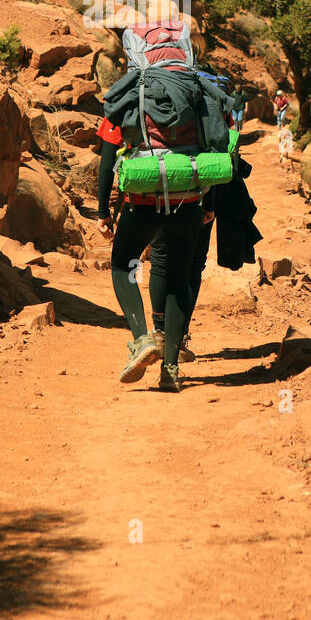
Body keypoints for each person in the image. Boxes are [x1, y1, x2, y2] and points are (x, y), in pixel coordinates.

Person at [96, 22, 234, 393]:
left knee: (124, 263)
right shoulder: (202, 89)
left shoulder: (132, 88)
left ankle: (142, 338)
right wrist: (211, 204)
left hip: (142, 200)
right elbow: (219, 147)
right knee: (177, 276)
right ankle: (171, 367)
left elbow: (108, 158)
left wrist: (102, 210)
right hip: (189, 199)